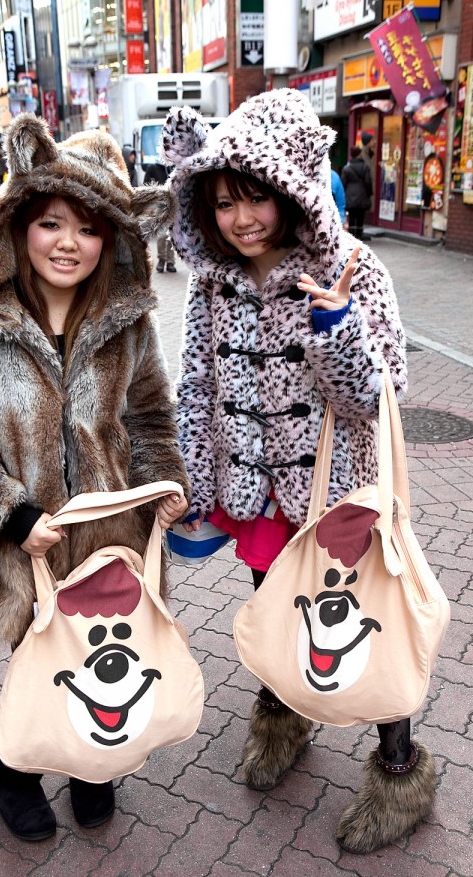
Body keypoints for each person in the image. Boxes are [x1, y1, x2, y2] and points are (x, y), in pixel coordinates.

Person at [161, 89, 435, 855]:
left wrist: (334, 329)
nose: (241, 220)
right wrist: (195, 482)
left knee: (361, 627)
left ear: (288, 192)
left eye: (254, 200)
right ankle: (284, 717)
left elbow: (380, 396)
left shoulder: (352, 267)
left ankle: (399, 764)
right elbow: (197, 387)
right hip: (260, 497)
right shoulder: (212, 282)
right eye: (222, 205)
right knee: (282, 618)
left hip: (338, 492)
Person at [0, 113, 189, 842]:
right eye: (52, 222)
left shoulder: (129, 323)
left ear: (113, 241)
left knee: (106, 654)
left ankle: (94, 766)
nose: (69, 243)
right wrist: (13, 516)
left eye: (89, 230)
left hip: (115, 541)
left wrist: (165, 485)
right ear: (19, 221)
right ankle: (14, 772)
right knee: (37, 662)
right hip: (26, 544)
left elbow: (152, 419)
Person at [144, 162, 176, 272]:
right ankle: (162, 259)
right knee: (162, 234)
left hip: (174, 205)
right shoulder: (153, 168)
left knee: (172, 235)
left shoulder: (174, 168)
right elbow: (146, 184)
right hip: (160, 206)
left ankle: (171, 262)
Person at [341, 145, 372, 241]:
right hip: (362, 195)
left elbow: (343, 183)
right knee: (360, 215)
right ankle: (359, 234)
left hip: (350, 196)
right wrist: (369, 193)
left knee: (351, 215)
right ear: (359, 154)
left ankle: (351, 235)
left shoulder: (347, 168)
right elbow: (368, 182)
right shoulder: (365, 167)